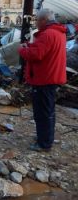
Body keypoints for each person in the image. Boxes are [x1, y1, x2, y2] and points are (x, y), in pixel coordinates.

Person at [18, 9, 67, 152]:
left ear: (44, 20)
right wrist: (30, 46)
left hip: (44, 79)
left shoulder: (47, 34)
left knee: (42, 113)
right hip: (51, 77)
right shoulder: (57, 33)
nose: (36, 23)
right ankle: (46, 139)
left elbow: (36, 55)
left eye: (37, 20)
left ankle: (43, 144)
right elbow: (43, 50)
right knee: (48, 111)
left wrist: (22, 49)